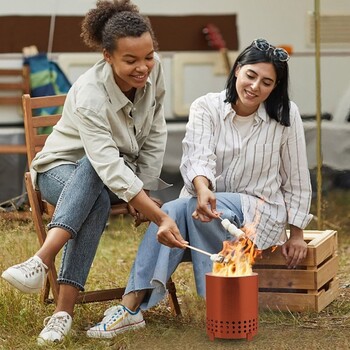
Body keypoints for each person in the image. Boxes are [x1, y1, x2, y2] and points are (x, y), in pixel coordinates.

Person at [85, 38, 313, 339]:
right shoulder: (207, 107)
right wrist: (203, 188)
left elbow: (296, 175)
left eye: (267, 82)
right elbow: (197, 156)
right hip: (204, 211)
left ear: (275, 87)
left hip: (259, 216)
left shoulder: (286, 115)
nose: (255, 86)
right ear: (237, 71)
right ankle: (134, 310)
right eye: (251, 75)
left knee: (175, 210)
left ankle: (139, 308)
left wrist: (296, 233)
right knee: (177, 209)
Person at [1, 0, 186, 345]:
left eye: (148, 57)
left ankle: (44, 267)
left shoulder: (153, 69)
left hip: (114, 172)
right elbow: (104, 163)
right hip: (59, 170)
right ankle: (59, 307)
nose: (143, 67)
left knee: (98, 188)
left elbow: (157, 129)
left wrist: (142, 188)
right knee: (93, 170)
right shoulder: (89, 94)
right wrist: (159, 214)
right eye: (130, 60)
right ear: (107, 56)